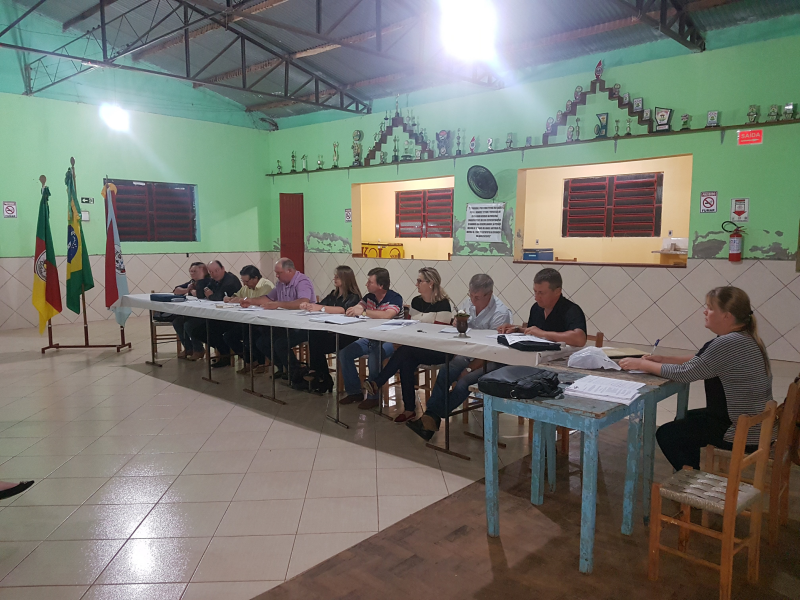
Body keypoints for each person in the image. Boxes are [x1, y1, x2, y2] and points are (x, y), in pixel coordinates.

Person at [620, 286, 773, 471]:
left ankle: (690, 480)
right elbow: (703, 360)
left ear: (726, 316)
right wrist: (664, 359)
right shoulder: (745, 337)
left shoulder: (727, 343)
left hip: (739, 430)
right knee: (686, 418)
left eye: (710, 308)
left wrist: (642, 364)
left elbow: (685, 373)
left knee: (668, 434)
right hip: (755, 423)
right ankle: (690, 471)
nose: (705, 311)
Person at [407, 273, 513, 441]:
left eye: (477, 297)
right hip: (468, 353)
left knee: (464, 382)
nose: (472, 300)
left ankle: (431, 417)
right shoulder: (469, 303)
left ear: (489, 294)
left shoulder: (500, 313)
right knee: (446, 371)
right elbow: (461, 325)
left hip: (492, 359)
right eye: (470, 295)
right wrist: (456, 323)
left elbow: (492, 350)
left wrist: (469, 369)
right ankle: (430, 419)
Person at [362, 267, 454, 422]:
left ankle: (378, 383)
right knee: (406, 360)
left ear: (430, 283)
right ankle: (409, 409)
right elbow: (409, 326)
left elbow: (438, 333)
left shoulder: (443, 304)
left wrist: (411, 341)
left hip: (437, 349)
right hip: (416, 347)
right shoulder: (416, 301)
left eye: (419, 281)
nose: (416, 284)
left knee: (406, 353)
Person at [338, 267, 402, 409]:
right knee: (345, 353)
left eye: (370, 282)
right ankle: (354, 392)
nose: (366, 284)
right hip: (371, 337)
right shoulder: (369, 297)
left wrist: (364, 312)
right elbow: (357, 308)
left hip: (391, 340)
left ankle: (374, 397)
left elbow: (387, 315)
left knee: (375, 353)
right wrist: (353, 310)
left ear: (381, 285)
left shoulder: (395, 298)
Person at [246, 258, 315, 380]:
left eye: (279, 273)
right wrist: (249, 301)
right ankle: (283, 367)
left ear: (289, 271)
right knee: (262, 342)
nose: (277, 276)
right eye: (276, 273)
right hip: (286, 324)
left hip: (303, 326)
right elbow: (268, 298)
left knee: (280, 343)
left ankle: (296, 372)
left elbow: (303, 302)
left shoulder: (302, 281)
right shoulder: (280, 283)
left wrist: (278, 304)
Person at [299, 266, 362, 393]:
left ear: (345, 279)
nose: (334, 279)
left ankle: (321, 376)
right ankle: (321, 376)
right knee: (314, 335)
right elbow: (321, 304)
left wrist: (322, 308)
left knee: (317, 344)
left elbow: (343, 310)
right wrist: (308, 305)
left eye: (337, 277)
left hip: (347, 334)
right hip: (332, 331)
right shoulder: (333, 294)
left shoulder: (353, 296)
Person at [498, 267, 587, 347]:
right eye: (535, 292)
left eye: (541, 293)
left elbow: (579, 339)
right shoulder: (536, 308)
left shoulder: (572, 310)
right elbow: (532, 333)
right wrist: (517, 329)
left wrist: (543, 334)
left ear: (557, 291)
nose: (536, 297)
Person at [221, 265, 275, 374]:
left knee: (251, 338)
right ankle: (251, 361)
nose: (245, 284)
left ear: (255, 278)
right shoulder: (246, 287)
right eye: (243, 281)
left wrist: (242, 299)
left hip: (264, 322)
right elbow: (237, 295)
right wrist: (230, 298)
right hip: (248, 321)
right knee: (229, 336)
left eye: (247, 281)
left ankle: (263, 362)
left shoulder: (266, 285)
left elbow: (263, 301)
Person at [186, 260, 241, 363]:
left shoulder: (230, 280)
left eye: (216, 270)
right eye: (211, 272)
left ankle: (225, 354)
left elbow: (220, 297)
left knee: (210, 331)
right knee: (198, 331)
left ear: (223, 269)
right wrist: (201, 278)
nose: (214, 274)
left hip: (233, 318)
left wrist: (211, 295)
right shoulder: (213, 280)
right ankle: (224, 351)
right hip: (220, 316)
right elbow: (201, 294)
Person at [171, 262, 209, 359]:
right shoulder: (192, 282)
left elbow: (199, 294)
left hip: (205, 314)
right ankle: (189, 348)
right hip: (193, 312)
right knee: (177, 322)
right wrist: (187, 290)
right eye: (190, 271)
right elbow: (176, 290)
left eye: (195, 271)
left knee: (189, 325)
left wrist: (191, 290)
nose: (192, 273)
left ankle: (198, 349)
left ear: (203, 271)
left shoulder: (208, 281)